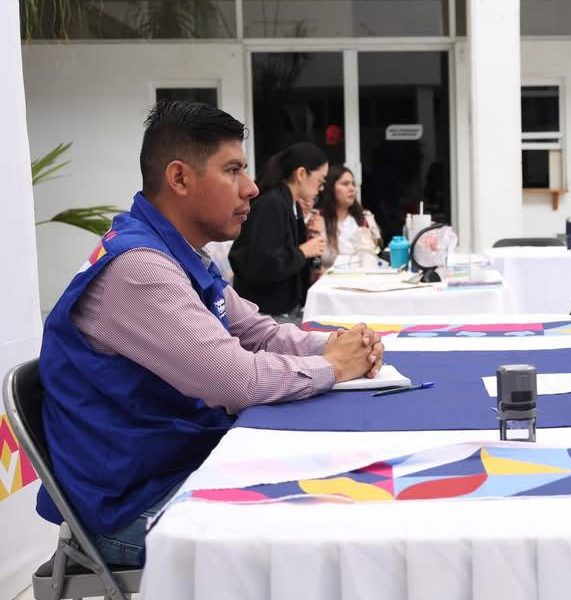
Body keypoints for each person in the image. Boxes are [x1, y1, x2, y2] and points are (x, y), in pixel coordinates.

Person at [37, 100, 384, 567]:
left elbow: (258, 333)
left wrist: (341, 345)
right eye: (234, 170)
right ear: (179, 179)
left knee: (344, 486)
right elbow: (236, 380)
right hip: (134, 507)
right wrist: (332, 366)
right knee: (324, 535)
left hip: (174, 466)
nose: (253, 187)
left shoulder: (179, 254)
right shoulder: (139, 268)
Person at [228, 142, 328, 318]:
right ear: (301, 174)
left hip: (283, 308)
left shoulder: (290, 204)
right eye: (320, 180)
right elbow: (264, 262)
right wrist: (303, 251)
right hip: (266, 313)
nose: (321, 188)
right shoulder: (272, 204)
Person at [319, 165, 383, 269]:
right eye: (345, 184)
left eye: (353, 184)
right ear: (331, 188)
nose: (352, 188)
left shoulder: (365, 218)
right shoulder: (318, 220)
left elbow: (378, 249)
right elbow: (318, 260)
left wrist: (373, 242)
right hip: (330, 280)